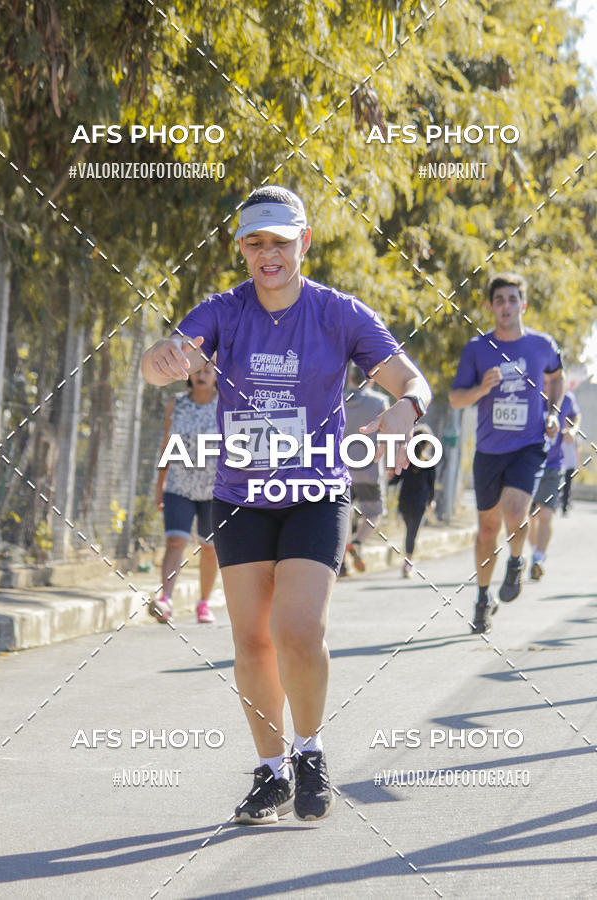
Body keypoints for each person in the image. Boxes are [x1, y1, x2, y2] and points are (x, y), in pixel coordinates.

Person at [141, 185, 431, 825]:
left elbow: (410, 377)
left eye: (280, 241)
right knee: (251, 641)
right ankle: (271, 773)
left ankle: (310, 750)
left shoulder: (339, 314)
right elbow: (163, 360)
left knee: (298, 630)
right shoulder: (223, 310)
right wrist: (162, 360)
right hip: (240, 496)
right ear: (240, 248)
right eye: (255, 242)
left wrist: (408, 408)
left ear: (304, 241)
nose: (268, 254)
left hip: (315, 493)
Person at [449, 272, 564, 634]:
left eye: (512, 299)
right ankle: (483, 598)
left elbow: (556, 377)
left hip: (528, 446)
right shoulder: (477, 349)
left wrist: (552, 413)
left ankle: (515, 562)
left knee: (516, 511)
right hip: (488, 451)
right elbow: (455, 398)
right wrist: (482, 388)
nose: (506, 306)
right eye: (499, 300)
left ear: (523, 305)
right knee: (487, 529)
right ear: (490, 307)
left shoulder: (542, 345)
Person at [150, 359, 219, 624]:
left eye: (207, 371)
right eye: (197, 371)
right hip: (179, 486)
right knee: (175, 541)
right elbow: (167, 445)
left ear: (215, 376)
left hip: (214, 490)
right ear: (189, 376)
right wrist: (160, 487)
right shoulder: (176, 404)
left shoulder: (224, 405)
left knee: (209, 547)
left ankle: (204, 603)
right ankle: (165, 600)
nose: (201, 375)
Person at [341, 366, 389, 573]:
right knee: (374, 513)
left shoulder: (338, 399)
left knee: (343, 512)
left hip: (340, 468)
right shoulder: (379, 402)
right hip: (369, 469)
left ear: (350, 379)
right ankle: (358, 543)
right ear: (370, 380)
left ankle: (341, 561)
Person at [529, 388, 581, 579]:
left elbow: (576, 416)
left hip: (553, 465)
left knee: (546, 514)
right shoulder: (532, 391)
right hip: (528, 464)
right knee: (529, 518)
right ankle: (534, 549)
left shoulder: (566, 397)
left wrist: (572, 430)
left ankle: (538, 559)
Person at [391, 424, 436, 578]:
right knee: (412, 533)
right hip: (420, 501)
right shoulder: (429, 462)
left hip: (404, 500)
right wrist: (431, 501)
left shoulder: (405, 461)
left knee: (408, 531)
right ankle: (408, 562)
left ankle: (407, 562)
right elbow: (431, 484)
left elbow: (395, 480)